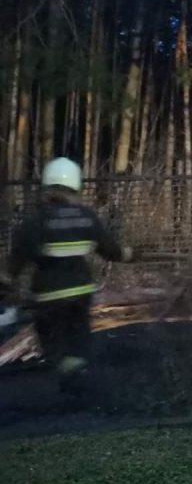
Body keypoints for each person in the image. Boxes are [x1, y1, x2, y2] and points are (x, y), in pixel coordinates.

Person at [5, 158, 133, 401]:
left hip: (47, 297)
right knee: (78, 340)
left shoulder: (35, 223)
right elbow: (112, 251)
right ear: (76, 187)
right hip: (81, 294)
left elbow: (15, 264)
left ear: (46, 187)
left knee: (53, 345)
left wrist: (7, 284)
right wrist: (131, 254)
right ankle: (77, 376)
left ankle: (69, 377)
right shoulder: (86, 217)